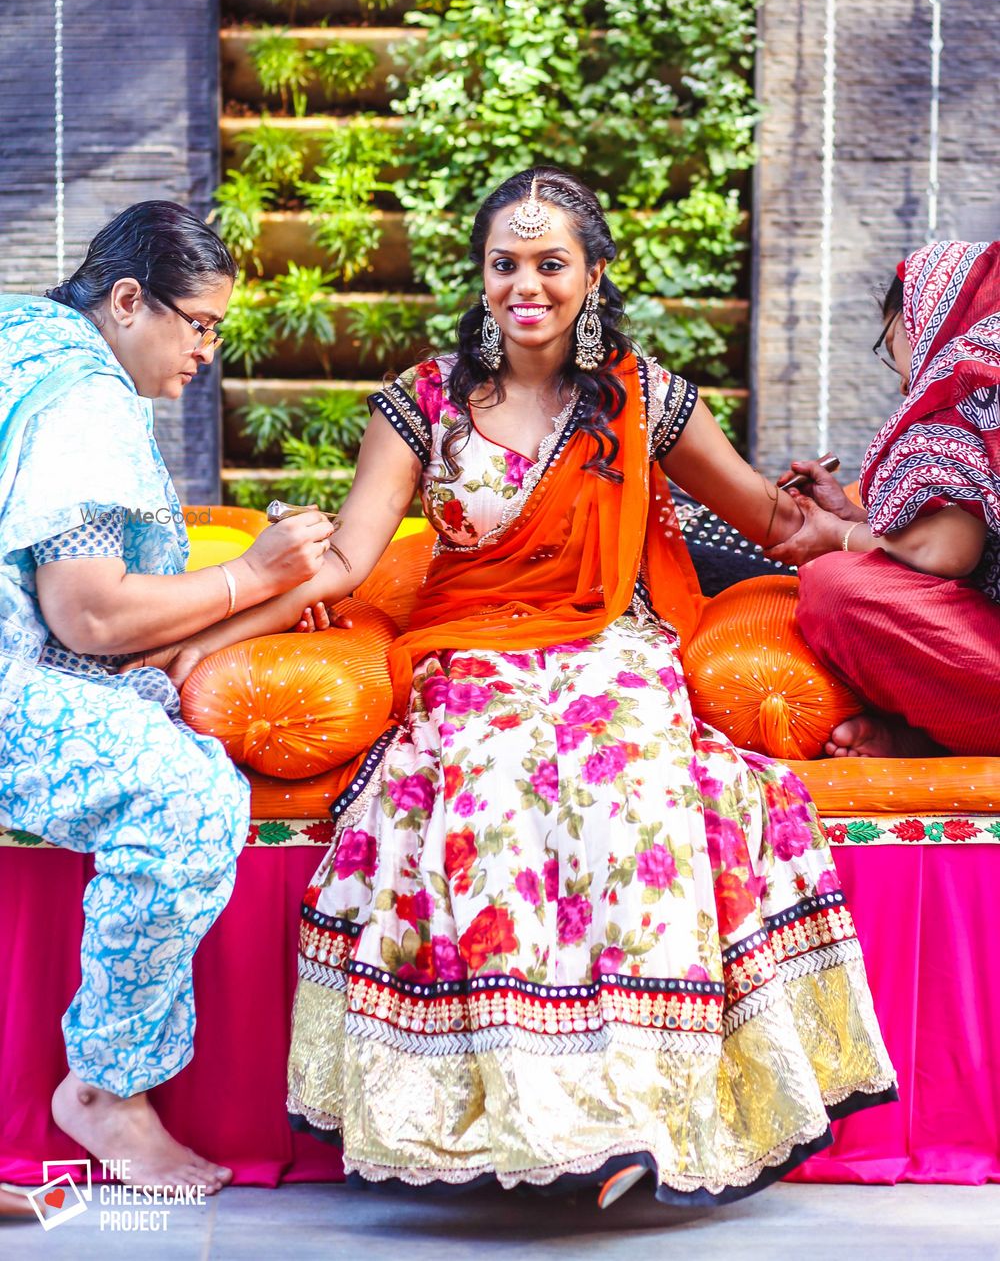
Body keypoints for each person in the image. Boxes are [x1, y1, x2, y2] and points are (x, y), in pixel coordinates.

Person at [161, 168, 895, 1207]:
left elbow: (775, 527)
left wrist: (898, 547)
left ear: (593, 275)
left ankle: (642, 1109)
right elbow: (346, 559)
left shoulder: (643, 400)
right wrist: (209, 633)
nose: (527, 286)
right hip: (469, 652)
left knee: (636, 784)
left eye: (551, 265)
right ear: (482, 275)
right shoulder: (420, 404)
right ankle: (526, 1113)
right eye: (506, 264)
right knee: (492, 784)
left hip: (615, 648)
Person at [0, 202, 334, 1194]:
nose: (207, 353)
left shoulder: (23, 338)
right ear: (129, 300)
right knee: (185, 792)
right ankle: (103, 1088)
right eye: (201, 325)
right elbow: (91, 618)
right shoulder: (84, 399)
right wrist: (260, 575)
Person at [770, 239, 1000, 758]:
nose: (900, 377)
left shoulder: (971, 380)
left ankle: (939, 740)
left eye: (890, 341)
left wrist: (839, 536)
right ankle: (932, 737)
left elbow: (949, 553)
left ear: (922, 324)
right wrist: (853, 517)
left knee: (838, 585)